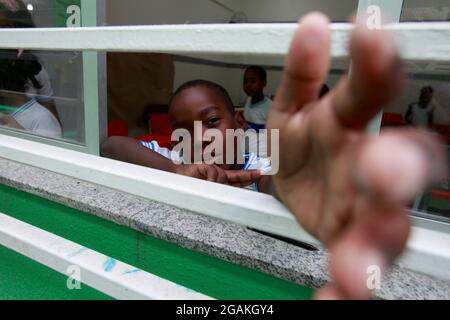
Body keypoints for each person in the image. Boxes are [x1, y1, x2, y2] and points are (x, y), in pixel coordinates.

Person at [103, 13, 446, 300]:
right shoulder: (177, 157)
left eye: (211, 121)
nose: (201, 137)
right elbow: (113, 145)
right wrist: (176, 170)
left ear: (238, 120)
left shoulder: (261, 159)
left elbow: (275, 182)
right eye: (186, 130)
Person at [243, 65, 272, 131]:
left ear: (263, 83)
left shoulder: (271, 108)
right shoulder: (248, 100)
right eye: (245, 81)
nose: (248, 85)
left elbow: (274, 137)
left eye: (253, 81)